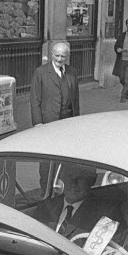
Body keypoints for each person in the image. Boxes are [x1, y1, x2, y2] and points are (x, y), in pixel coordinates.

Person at [31, 42, 81, 190]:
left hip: (67, 123)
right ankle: (45, 190)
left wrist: (77, 121)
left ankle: (62, 187)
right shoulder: (41, 72)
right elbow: (35, 99)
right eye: (57, 56)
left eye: (63, 57)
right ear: (52, 55)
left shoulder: (72, 72)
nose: (60, 59)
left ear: (68, 57)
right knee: (47, 160)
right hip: (48, 124)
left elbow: (76, 99)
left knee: (65, 157)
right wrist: (38, 123)